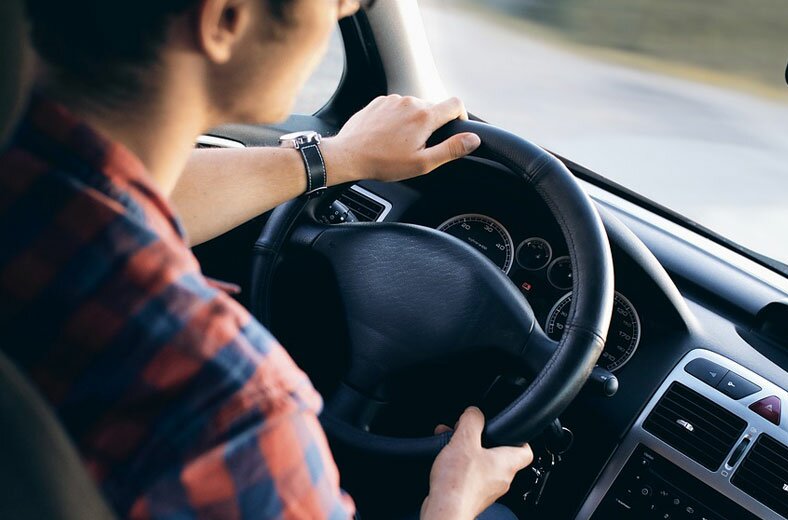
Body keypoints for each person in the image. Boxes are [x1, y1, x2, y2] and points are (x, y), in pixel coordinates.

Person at [0, 0, 534, 518]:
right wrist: (452, 503)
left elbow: (122, 194)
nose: (349, 9)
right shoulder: (230, 409)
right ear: (224, 19)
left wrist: (339, 157)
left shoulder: (31, 184)